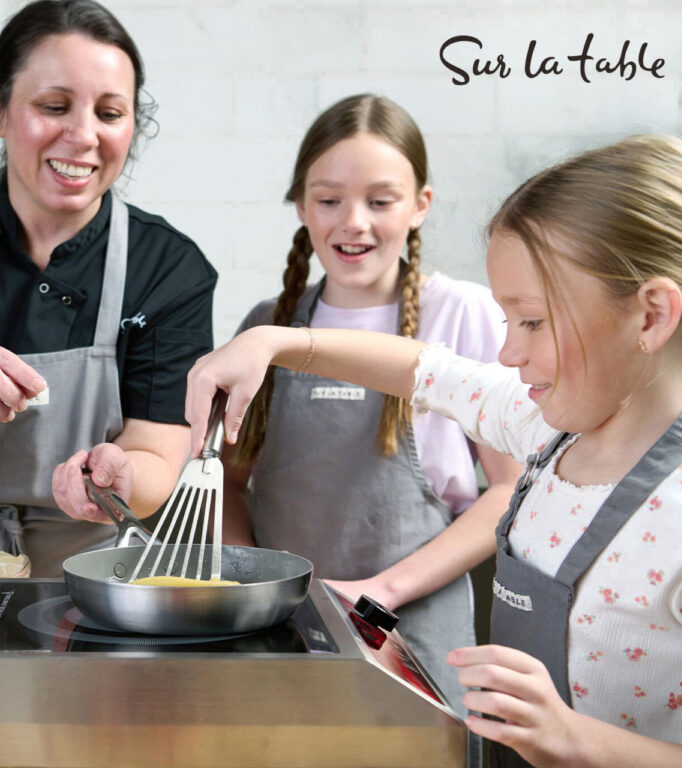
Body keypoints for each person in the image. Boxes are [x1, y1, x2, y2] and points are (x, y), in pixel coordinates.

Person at [185, 134, 682, 767]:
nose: (507, 353)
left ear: (650, 316)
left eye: (532, 321)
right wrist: (273, 342)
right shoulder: (542, 425)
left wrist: (573, 739)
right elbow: (424, 369)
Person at [221, 93, 521, 724]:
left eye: (380, 201)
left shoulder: (461, 314)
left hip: (415, 633)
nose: (352, 221)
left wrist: (377, 595)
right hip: (284, 631)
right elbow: (228, 480)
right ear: (301, 205)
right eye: (329, 200)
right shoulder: (266, 327)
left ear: (421, 207)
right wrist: (249, 579)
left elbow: (509, 491)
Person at [0, 0, 216, 586]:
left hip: (85, 589)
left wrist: (121, 476)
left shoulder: (169, 268)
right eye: (53, 106)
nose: (83, 136)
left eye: (110, 113)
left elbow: (159, 452)